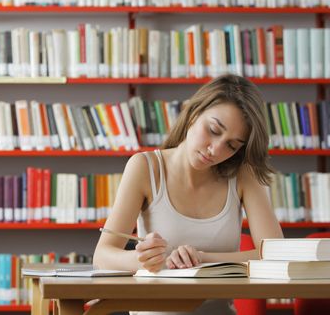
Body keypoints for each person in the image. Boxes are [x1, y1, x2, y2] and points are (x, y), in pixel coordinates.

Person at [93, 74, 284, 315]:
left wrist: (201, 258)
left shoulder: (243, 175)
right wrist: (143, 260)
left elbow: (277, 256)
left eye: (232, 145)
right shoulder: (145, 168)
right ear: (194, 112)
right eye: (214, 130)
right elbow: (101, 256)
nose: (215, 149)